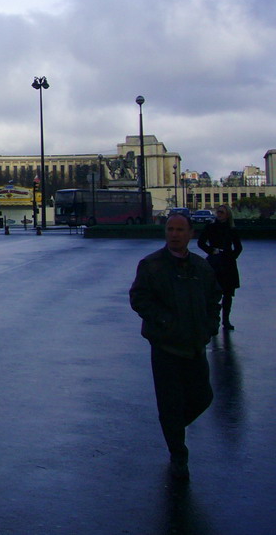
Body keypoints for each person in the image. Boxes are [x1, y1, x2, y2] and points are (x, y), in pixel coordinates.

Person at [129, 212, 222, 481]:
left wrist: (210, 327)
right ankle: (178, 453)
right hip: (165, 346)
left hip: (194, 344)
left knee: (203, 397)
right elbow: (139, 298)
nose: (174, 234)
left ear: (191, 234)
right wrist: (164, 321)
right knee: (170, 403)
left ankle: (172, 428)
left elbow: (214, 298)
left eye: (180, 229)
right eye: (170, 229)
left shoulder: (201, 267)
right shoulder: (152, 265)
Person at [196, 204, 243, 330]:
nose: (219, 214)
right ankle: (213, 319)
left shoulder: (231, 229)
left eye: (221, 212)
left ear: (227, 214)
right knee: (213, 292)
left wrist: (231, 256)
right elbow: (201, 242)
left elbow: (238, 247)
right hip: (215, 262)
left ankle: (226, 320)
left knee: (228, 293)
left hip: (227, 263)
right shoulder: (211, 227)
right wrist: (211, 251)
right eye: (218, 212)